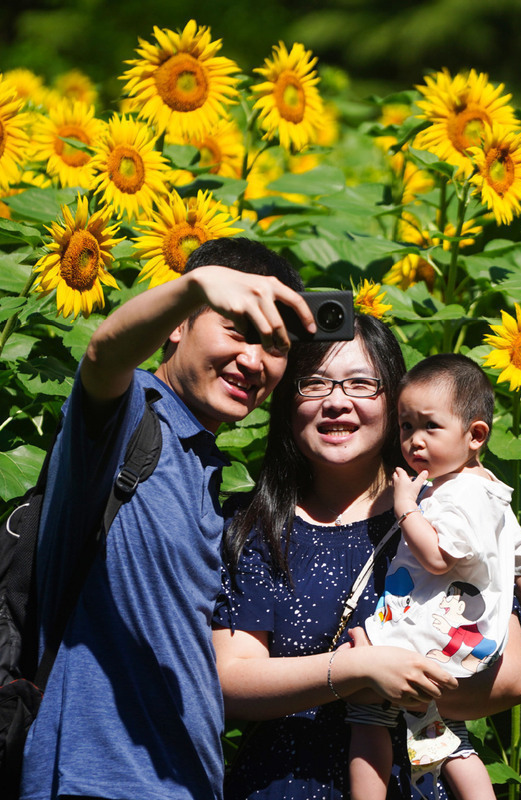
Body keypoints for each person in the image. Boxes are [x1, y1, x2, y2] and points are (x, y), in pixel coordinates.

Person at [20, 237, 314, 800]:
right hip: (96, 780)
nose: (253, 361)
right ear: (177, 326)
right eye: (236, 330)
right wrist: (195, 286)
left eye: (275, 346)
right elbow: (104, 356)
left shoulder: (203, 465)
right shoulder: (129, 421)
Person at [213, 316, 521, 800]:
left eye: (362, 383)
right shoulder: (253, 523)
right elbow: (230, 682)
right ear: (286, 400)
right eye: (314, 383)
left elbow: (509, 679)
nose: (337, 401)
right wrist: (355, 671)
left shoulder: (446, 509)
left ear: (395, 401)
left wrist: (390, 684)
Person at [348, 354, 521, 800]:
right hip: (469, 647)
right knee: (453, 735)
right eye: (405, 427)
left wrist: (406, 507)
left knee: (368, 713)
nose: (414, 442)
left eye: (429, 427)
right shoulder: (494, 494)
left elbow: (437, 559)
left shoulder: (453, 497)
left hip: (426, 638)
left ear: (475, 435)